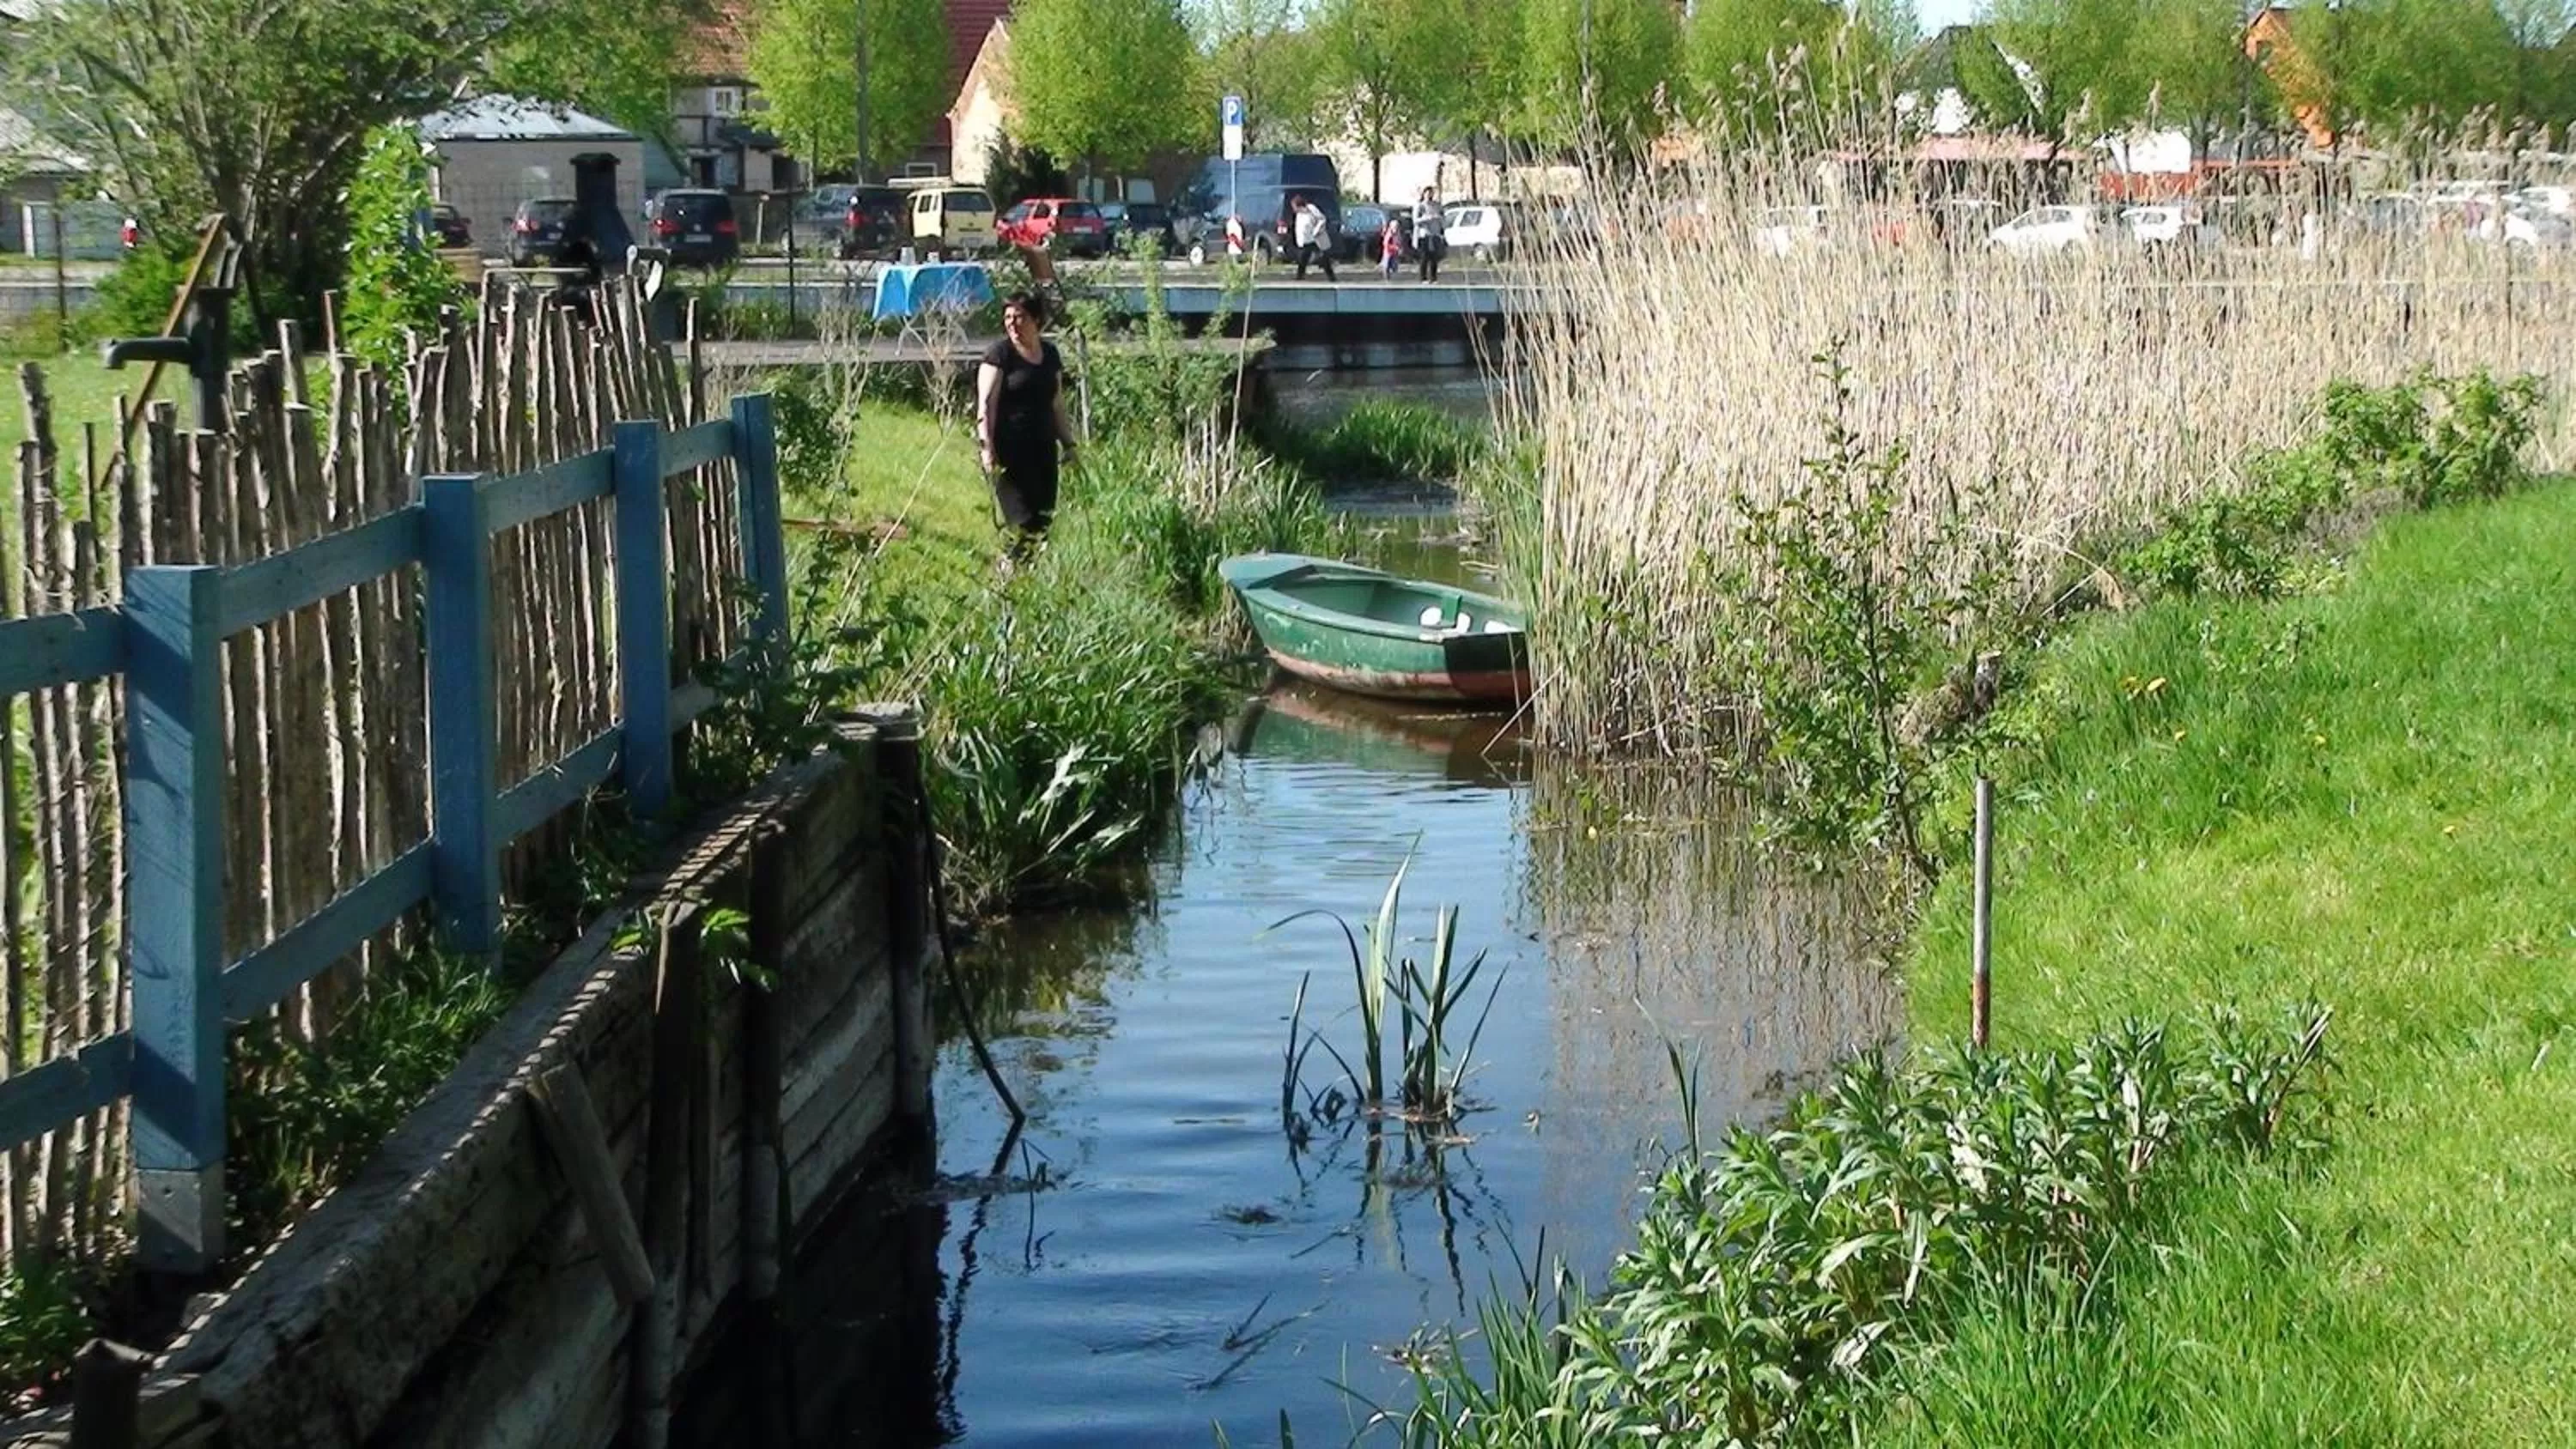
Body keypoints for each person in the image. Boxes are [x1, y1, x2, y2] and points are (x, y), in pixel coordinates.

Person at [976, 292, 1079, 561]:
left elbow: (1057, 403)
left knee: (1041, 524)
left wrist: (1069, 444)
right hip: (1009, 456)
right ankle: (1006, 581)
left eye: (1019, 316)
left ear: (1036, 319)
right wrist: (987, 451)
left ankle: (1026, 585)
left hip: (1043, 454)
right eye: (1008, 317)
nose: (1012, 323)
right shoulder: (999, 355)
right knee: (1019, 524)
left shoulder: (1050, 355)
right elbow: (986, 407)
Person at [1291, 195, 1336, 281]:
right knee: (1303, 258)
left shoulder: (1311, 209)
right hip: (1307, 240)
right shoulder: (1299, 214)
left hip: (1316, 238)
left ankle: (1331, 277)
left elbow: (1322, 219)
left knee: (1323, 258)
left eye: (1294, 206)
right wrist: (1299, 241)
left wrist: (1316, 231)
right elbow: (1299, 228)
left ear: (1299, 205)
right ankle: (1300, 276)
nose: (1293, 209)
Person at [1412, 187, 1447, 282]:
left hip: (1435, 234)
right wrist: (1427, 218)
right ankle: (1423, 278)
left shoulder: (1437, 205)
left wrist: (1439, 220)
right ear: (1424, 194)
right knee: (1424, 256)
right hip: (1424, 234)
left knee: (1434, 257)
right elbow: (1415, 221)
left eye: (1431, 193)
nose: (1429, 195)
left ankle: (1433, 278)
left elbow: (1443, 218)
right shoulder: (1420, 206)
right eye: (1427, 193)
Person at [1379, 214, 1404, 280]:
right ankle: (1387, 278)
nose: (1396, 229)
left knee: (1394, 266)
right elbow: (1386, 244)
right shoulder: (1389, 235)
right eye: (1395, 227)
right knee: (1386, 265)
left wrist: (1400, 248)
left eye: (1397, 227)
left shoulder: (1398, 234)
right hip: (1388, 253)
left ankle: (1392, 276)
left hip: (1395, 253)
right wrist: (1395, 247)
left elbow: (1400, 242)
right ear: (1391, 227)